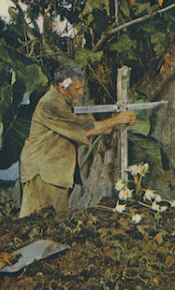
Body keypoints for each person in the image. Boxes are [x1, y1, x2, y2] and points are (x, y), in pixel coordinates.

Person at [19, 63, 136, 218]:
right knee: (37, 221)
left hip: (53, 173)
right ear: (62, 88)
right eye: (77, 89)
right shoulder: (50, 105)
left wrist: (117, 124)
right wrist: (117, 119)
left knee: (55, 221)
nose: (80, 93)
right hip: (43, 174)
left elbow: (89, 130)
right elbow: (85, 128)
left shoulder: (61, 102)